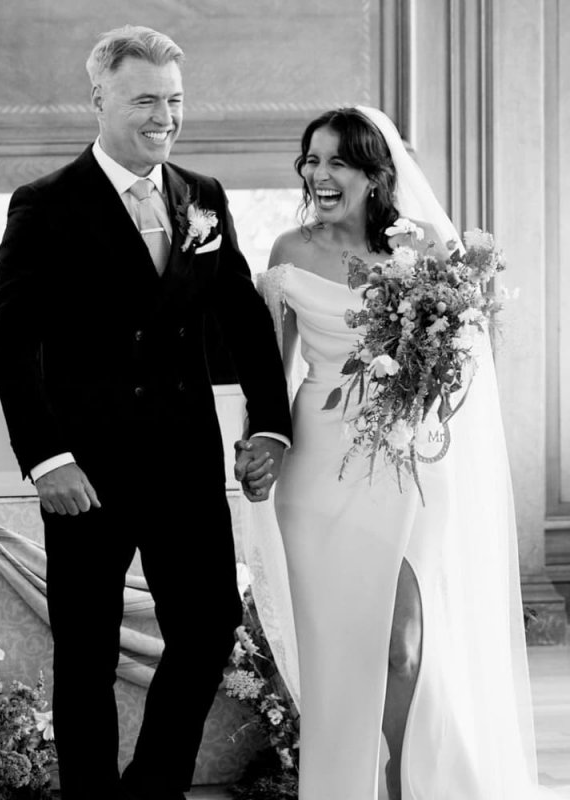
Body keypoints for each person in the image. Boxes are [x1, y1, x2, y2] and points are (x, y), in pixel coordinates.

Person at [0, 25, 291, 800]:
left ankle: (153, 789)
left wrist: (269, 424)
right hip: (85, 471)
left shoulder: (203, 196)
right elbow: (9, 347)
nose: (166, 117)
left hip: (185, 460)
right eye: (146, 100)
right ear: (99, 99)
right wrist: (47, 459)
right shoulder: (44, 205)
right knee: (85, 653)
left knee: (211, 626)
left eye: (175, 100)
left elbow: (245, 323)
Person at [235, 107, 560, 799]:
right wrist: (261, 444)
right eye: (311, 160)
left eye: (337, 162)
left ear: (375, 175)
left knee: (401, 645)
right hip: (317, 473)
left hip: (408, 468)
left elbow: (462, 367)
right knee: (337, 650)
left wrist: (425, 375)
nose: (318, 175)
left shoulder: (423, 252)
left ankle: (399, 779)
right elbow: (270, 377)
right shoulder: (289, 251)